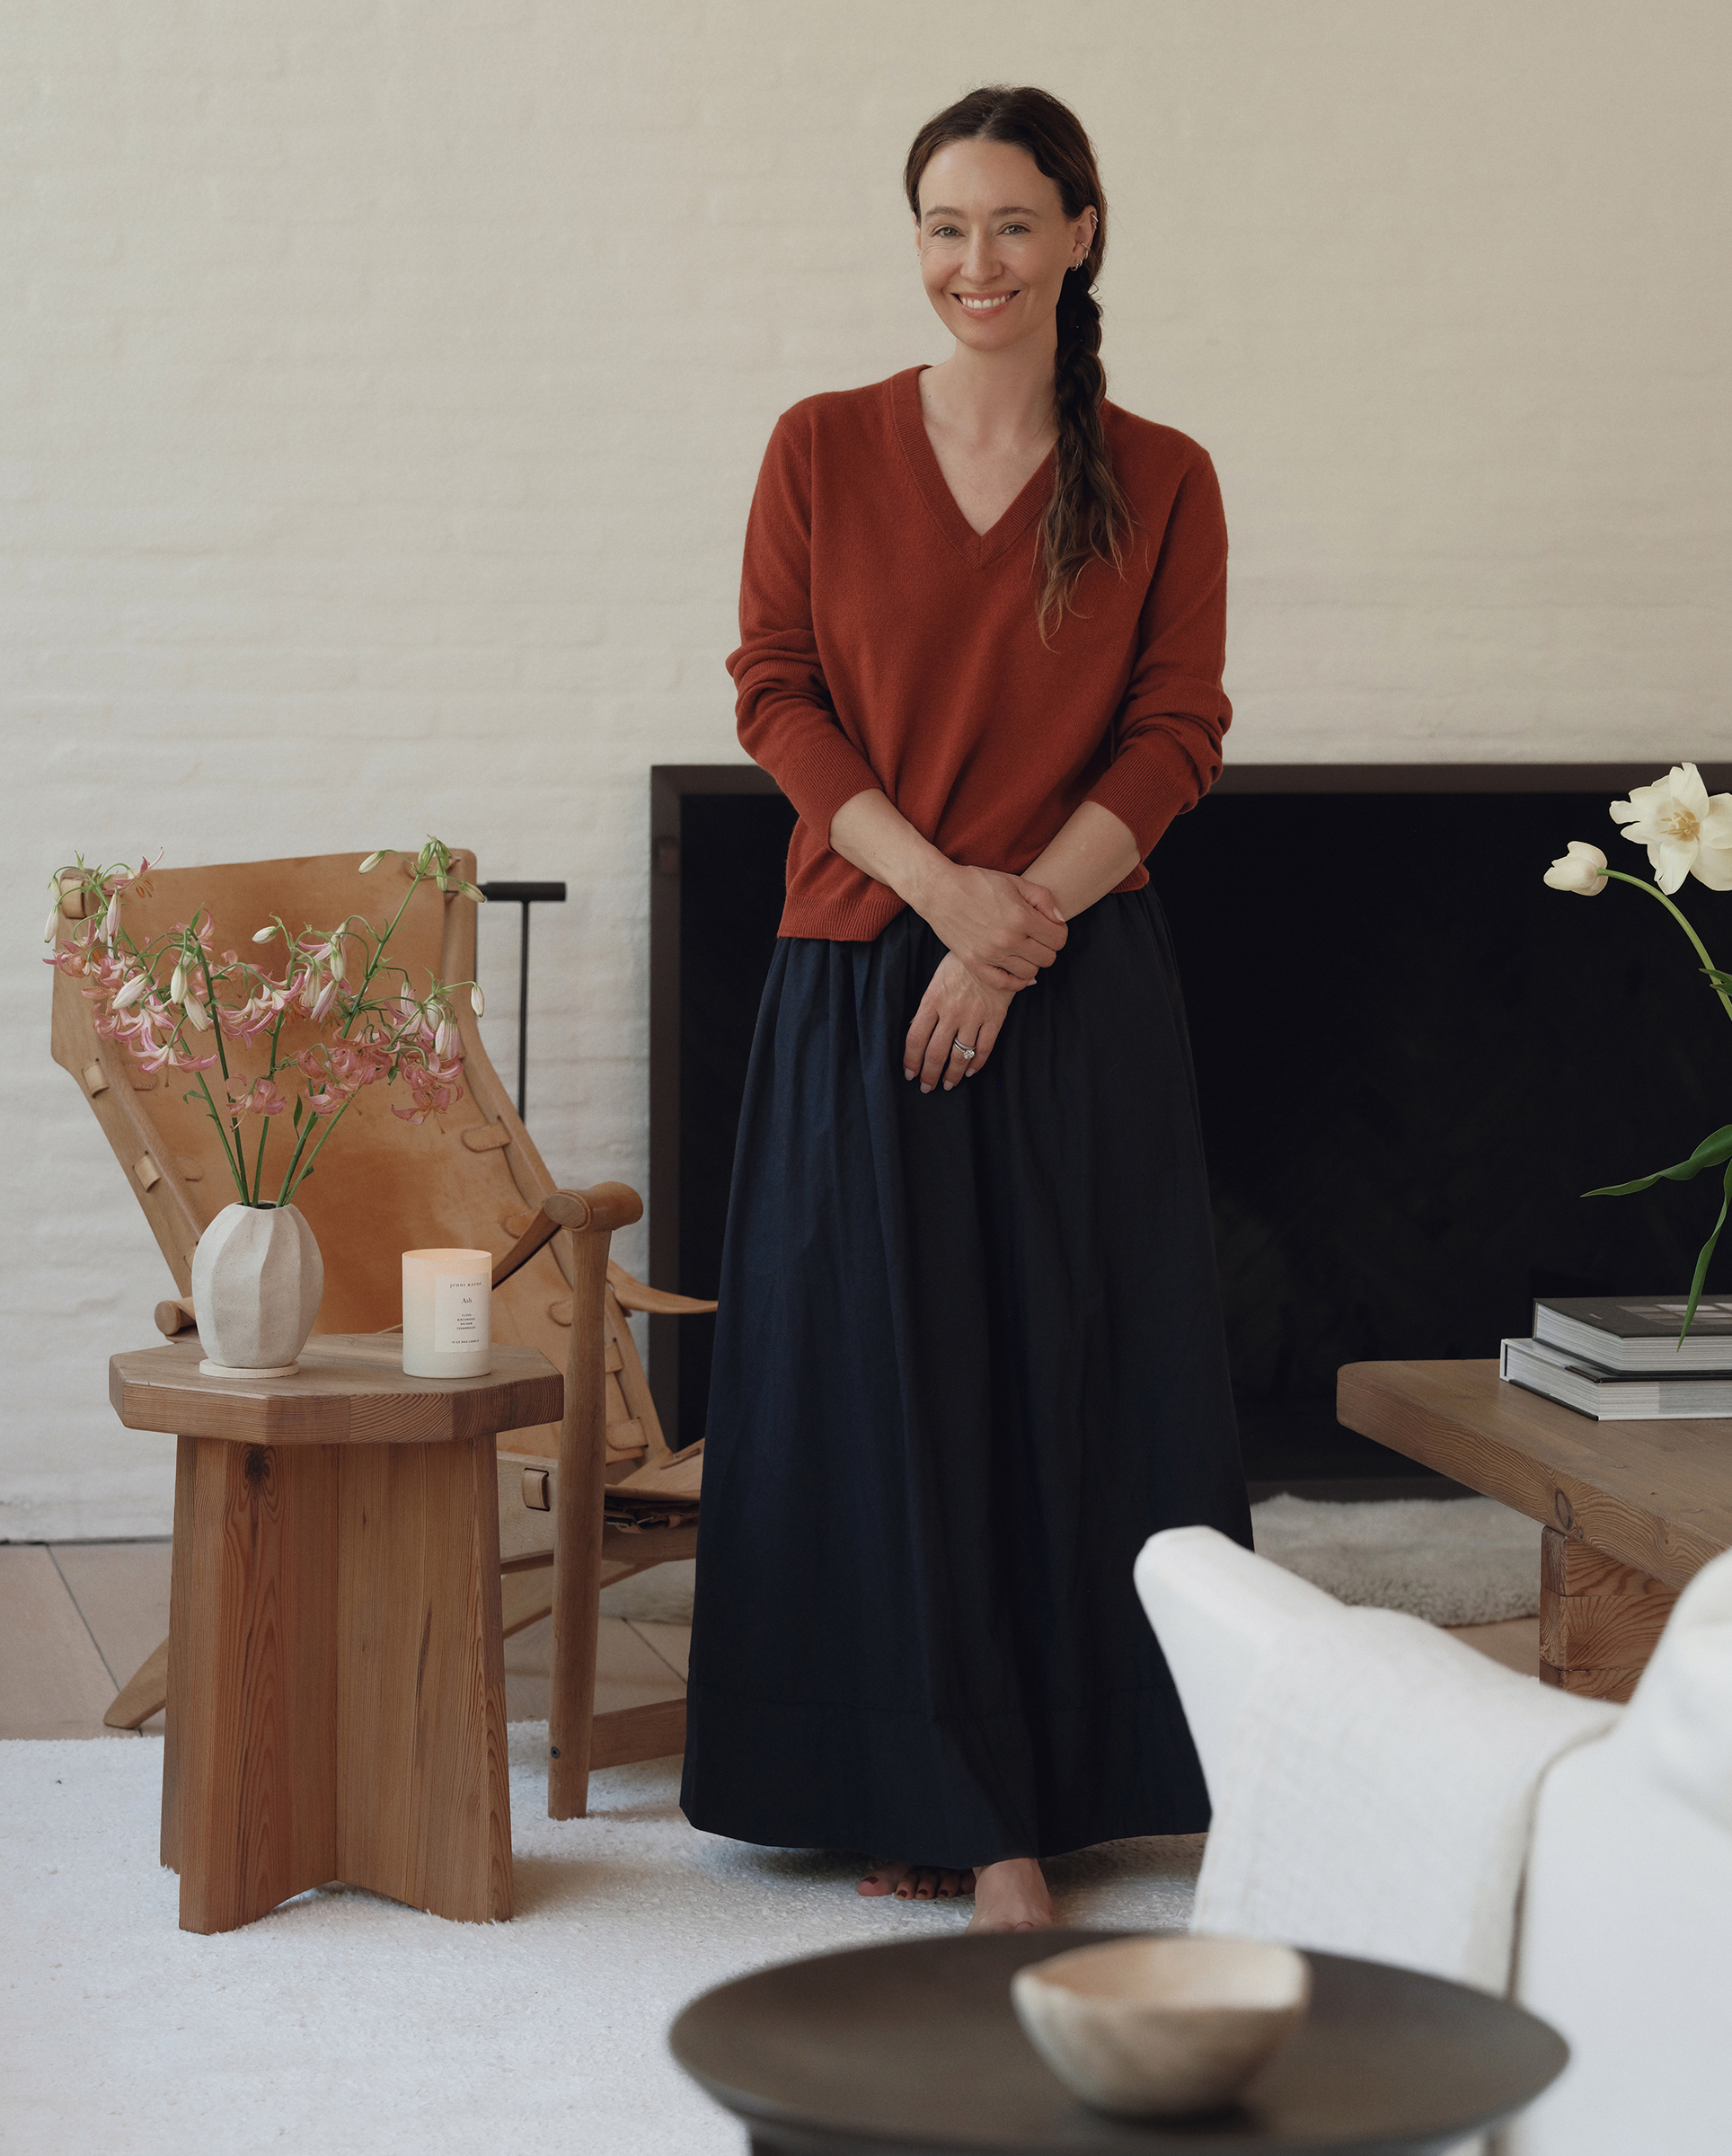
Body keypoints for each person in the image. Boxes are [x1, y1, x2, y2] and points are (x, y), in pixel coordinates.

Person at [680, 84, 1252, 1934]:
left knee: (1069, 1377)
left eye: (1010, 223)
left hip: (1077, 991)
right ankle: (942, 1794)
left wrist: (1010, 945)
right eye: (942, 226)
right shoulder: (820, 447)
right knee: (877, 1388)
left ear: (1080, 233)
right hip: (862, 975)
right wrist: (940, 903)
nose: (972, 264)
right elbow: (775, 694)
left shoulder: (1160, 474)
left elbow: (1178, 735)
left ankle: (1065, 1783)